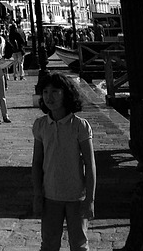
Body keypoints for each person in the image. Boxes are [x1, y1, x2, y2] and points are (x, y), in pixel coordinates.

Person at [32, 74, 96, 251]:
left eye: (55, 92)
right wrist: (37, 194)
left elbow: (90, 164)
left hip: (76, 196)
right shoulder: (41, 125)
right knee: (49, 243)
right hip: (50, 195)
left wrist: (90, 198)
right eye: (45, 92)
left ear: (66, 94)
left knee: (79, 244)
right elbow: (37, 162)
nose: (49, 97)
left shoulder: (80, 126)